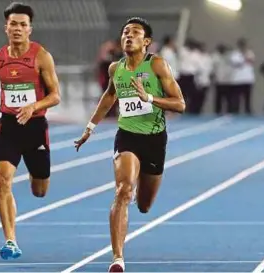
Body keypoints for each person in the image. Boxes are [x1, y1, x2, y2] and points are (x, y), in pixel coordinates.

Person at [73, 17, 185, 272]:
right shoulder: (116, 68)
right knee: (123, 190)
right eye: (125, 32)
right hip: (127, 136)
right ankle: (118, 258)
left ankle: (137, 198)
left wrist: (150, 97)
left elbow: (180, 104)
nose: (128, 36)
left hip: (155, 139)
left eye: (135, 33)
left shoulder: (157, 65)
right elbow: (109, 95)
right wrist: (90, 128)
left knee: (144, 205)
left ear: (146, 42)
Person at [0, 2, 61, 260]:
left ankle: (32, 170)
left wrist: (34, 106)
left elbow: (56, 96)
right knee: (2, 179)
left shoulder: (41, 57)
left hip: (35, 127)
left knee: (40, 190)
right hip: (9, 126)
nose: (17, 28)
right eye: (13, 24)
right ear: (6, 27)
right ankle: (11, 240)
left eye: (23, 24)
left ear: (29, 29)